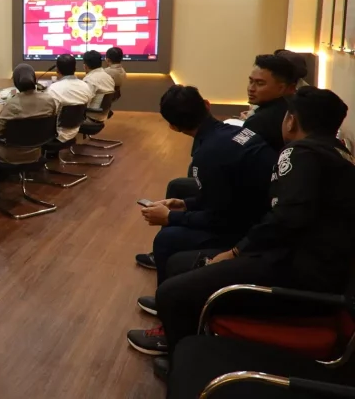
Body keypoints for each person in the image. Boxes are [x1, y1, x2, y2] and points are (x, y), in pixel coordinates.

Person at [127, 87, 355, 371]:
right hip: (312, 262)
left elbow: (284, 219)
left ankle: (184, 365)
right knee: (177, 263)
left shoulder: (299, 154)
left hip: (298, 273)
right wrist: (187, 206)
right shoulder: (339, 154)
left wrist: (235, 252)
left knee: (172, 286)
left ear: (291, 121)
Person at [138, 85, 276, 290]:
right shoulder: (238, 131)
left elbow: (221, 218)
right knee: (178, 192)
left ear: (173, 127)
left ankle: (165, 299)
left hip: (250, 230)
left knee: (166, 239)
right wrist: (185, 204)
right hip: (262, 210)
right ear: (207, 105)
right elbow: (225, 195)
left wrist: (171, 217)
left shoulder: (208, 156)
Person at [0, 64, 58, 197]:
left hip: (11, 155)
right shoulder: (49, 100)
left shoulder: (13, 104)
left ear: (16, 82)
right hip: (36, 152)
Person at [242, 54, 299, 153]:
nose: (251, 88)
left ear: (281, 88)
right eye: (251, 81)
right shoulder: (292, 109)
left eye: (260, 83)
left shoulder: (257, 122)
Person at [47, 54, 92, 143]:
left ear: (57, 70)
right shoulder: (86, 86)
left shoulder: (53, 89)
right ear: (75, 69)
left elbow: (48, 112)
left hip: (56, 133)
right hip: (76, 130)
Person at [82, 50, 116, 117]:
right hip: (102, 116)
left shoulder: (89, 80)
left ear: (85, 66)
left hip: (90, 116)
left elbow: (82, 101)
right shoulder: (109, 77)